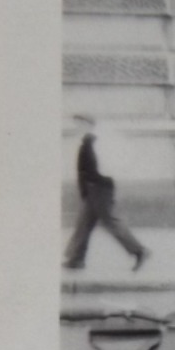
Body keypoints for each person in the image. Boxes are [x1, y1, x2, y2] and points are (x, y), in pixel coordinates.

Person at [62, 115, 149, 271]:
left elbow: (101, 166)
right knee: (83, 224)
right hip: (93, 188)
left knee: (110, 222)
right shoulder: (87, 141)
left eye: (80, 123)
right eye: (76, 123)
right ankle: (76, 259)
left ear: (88, 124)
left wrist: (95, 183)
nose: (77, 126)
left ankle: (139, 251)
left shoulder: (94, 142)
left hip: (99, 188)